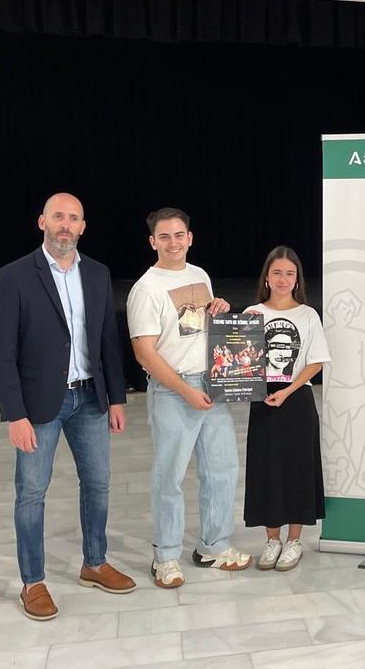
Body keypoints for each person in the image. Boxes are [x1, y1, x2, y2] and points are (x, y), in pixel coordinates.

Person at [0, 192, 135, 622]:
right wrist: (15, 414)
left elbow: (107, 340)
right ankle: (33, 582)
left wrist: (117, 398)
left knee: (99, 484)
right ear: (42, 222)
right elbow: (1, 352)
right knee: (32, 493)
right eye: (58, 217)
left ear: (83, 227)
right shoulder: (15, 276)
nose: (65, 225)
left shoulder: (97, 273)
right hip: (39, 405)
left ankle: (95, 563)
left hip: (90, 398)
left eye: (73, 218)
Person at [127, 207, 253, 589]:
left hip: (210, 384)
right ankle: (165, 556)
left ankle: (213, 546)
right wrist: (186, 391)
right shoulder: (145, 289)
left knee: (222, 469)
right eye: (164, 236)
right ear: (152, 242)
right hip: (173, 390)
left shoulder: (200, 275)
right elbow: (144, 353)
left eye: (179, 235)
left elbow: (199, 329)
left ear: (190, 238)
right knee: (171, 476)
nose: (173, 242)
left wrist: (220, 309)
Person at [243, 246, 331, 571]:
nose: (283, 279)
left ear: (297, 280)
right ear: (267, 277)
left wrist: (287, 391)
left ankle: (294, 541)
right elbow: (238, 360)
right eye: (277, 272)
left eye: (289, 274)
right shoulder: (252, 313)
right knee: (266, 468)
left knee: (297, 469)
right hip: (262, 400)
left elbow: (316, 362)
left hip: (296, 400)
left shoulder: (307, 315)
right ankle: (272, 540)